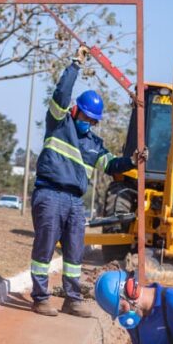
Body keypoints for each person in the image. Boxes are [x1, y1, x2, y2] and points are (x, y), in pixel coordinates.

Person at [30, 46, 136, 317]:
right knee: (44, 248)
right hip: (50, 194)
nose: (89, 123)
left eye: (93, 120)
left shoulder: (93, 145)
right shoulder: (58, 123)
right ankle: (41, 298)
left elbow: (111, 165)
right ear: (76, 111)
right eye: (86, 117)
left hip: (75, 202)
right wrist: (76, 63)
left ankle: (72, 299)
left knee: (75, 254)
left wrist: (133, 160)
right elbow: (61, 94)